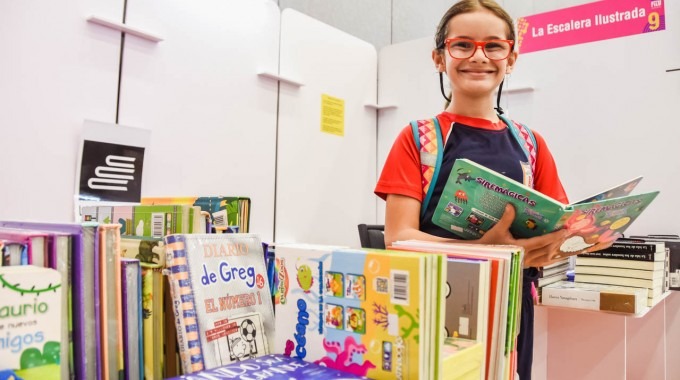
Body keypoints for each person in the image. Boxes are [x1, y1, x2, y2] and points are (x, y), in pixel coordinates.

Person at [374, 1, 573, 379]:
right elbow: (397, 239)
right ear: (439, 58)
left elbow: (556, 229)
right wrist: (485, 252)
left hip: (513, 310)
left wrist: (583, 236)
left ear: (511, 58)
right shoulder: (419, 139)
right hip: (436, 305)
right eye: (462, 45)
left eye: (494, 46)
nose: (479, 56)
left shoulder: (532, 144)